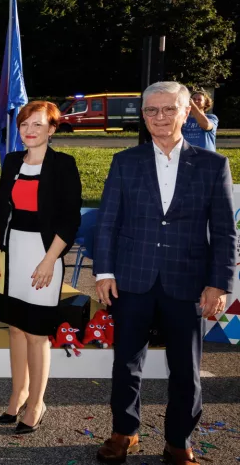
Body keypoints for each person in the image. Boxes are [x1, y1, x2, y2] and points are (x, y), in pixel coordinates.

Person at [94, 81, 236, 465]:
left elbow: (225, 231)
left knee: (186, 370)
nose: (160, 117)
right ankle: (124, 432)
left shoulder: (213, 165)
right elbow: (108, 222)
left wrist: (219, 283)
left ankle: (178, 441)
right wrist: (104, 272)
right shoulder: (125, 161)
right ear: (143, 116)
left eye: (169, 109)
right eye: (151, 110)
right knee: (126, 364)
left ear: (187, 112)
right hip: (131, 279)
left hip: (187, 282)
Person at [0, 101, 82, 434]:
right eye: (25, 124)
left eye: (38, 125)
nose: (29, 130)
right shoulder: (13, 161)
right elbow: (1, 210)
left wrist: (49, 260)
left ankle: (37, 403)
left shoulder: (63, 165)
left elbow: (70, 220)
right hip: (11, 254)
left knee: (37, 334)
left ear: (52, 129)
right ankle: (18, 394)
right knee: (15, 327)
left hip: (44, 256)